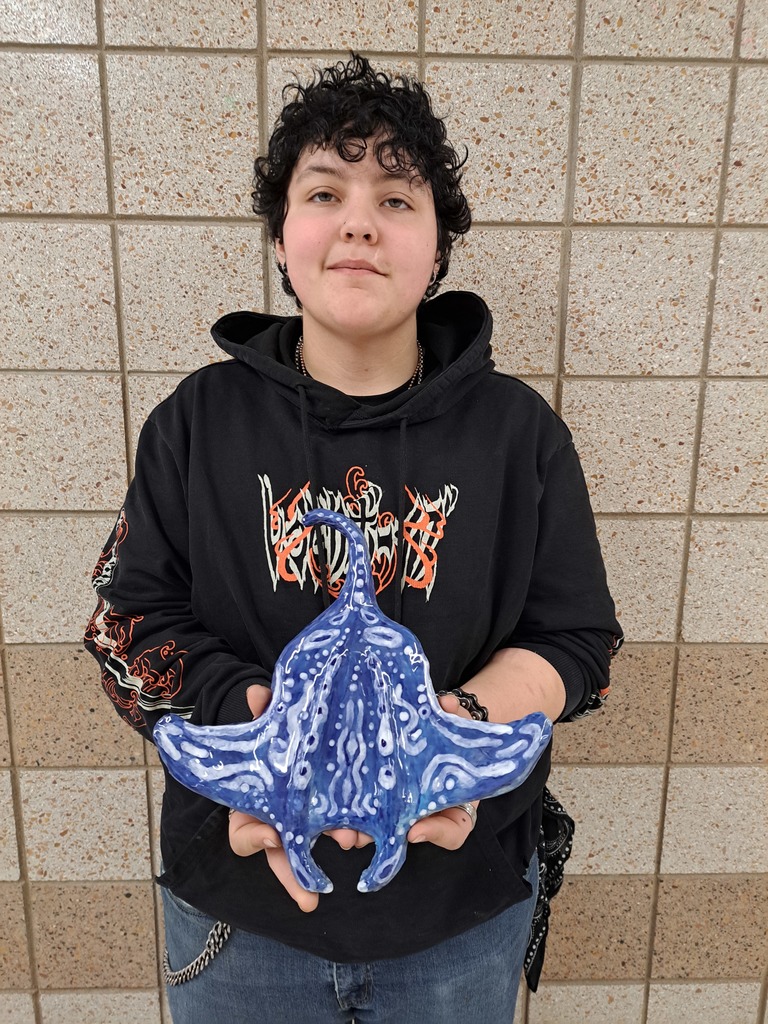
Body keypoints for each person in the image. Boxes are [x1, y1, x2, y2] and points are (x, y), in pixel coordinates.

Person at [85, 54, 622, 1024]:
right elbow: (128, 627)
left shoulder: (520, 434)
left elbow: (579, 643)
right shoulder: (194, 423)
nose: (360, 222)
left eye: (397, 198)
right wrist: (270, 737)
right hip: (239, 917)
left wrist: (441, 735)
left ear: (439, 247)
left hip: (460, 919)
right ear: (281, 236)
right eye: (325, 192)